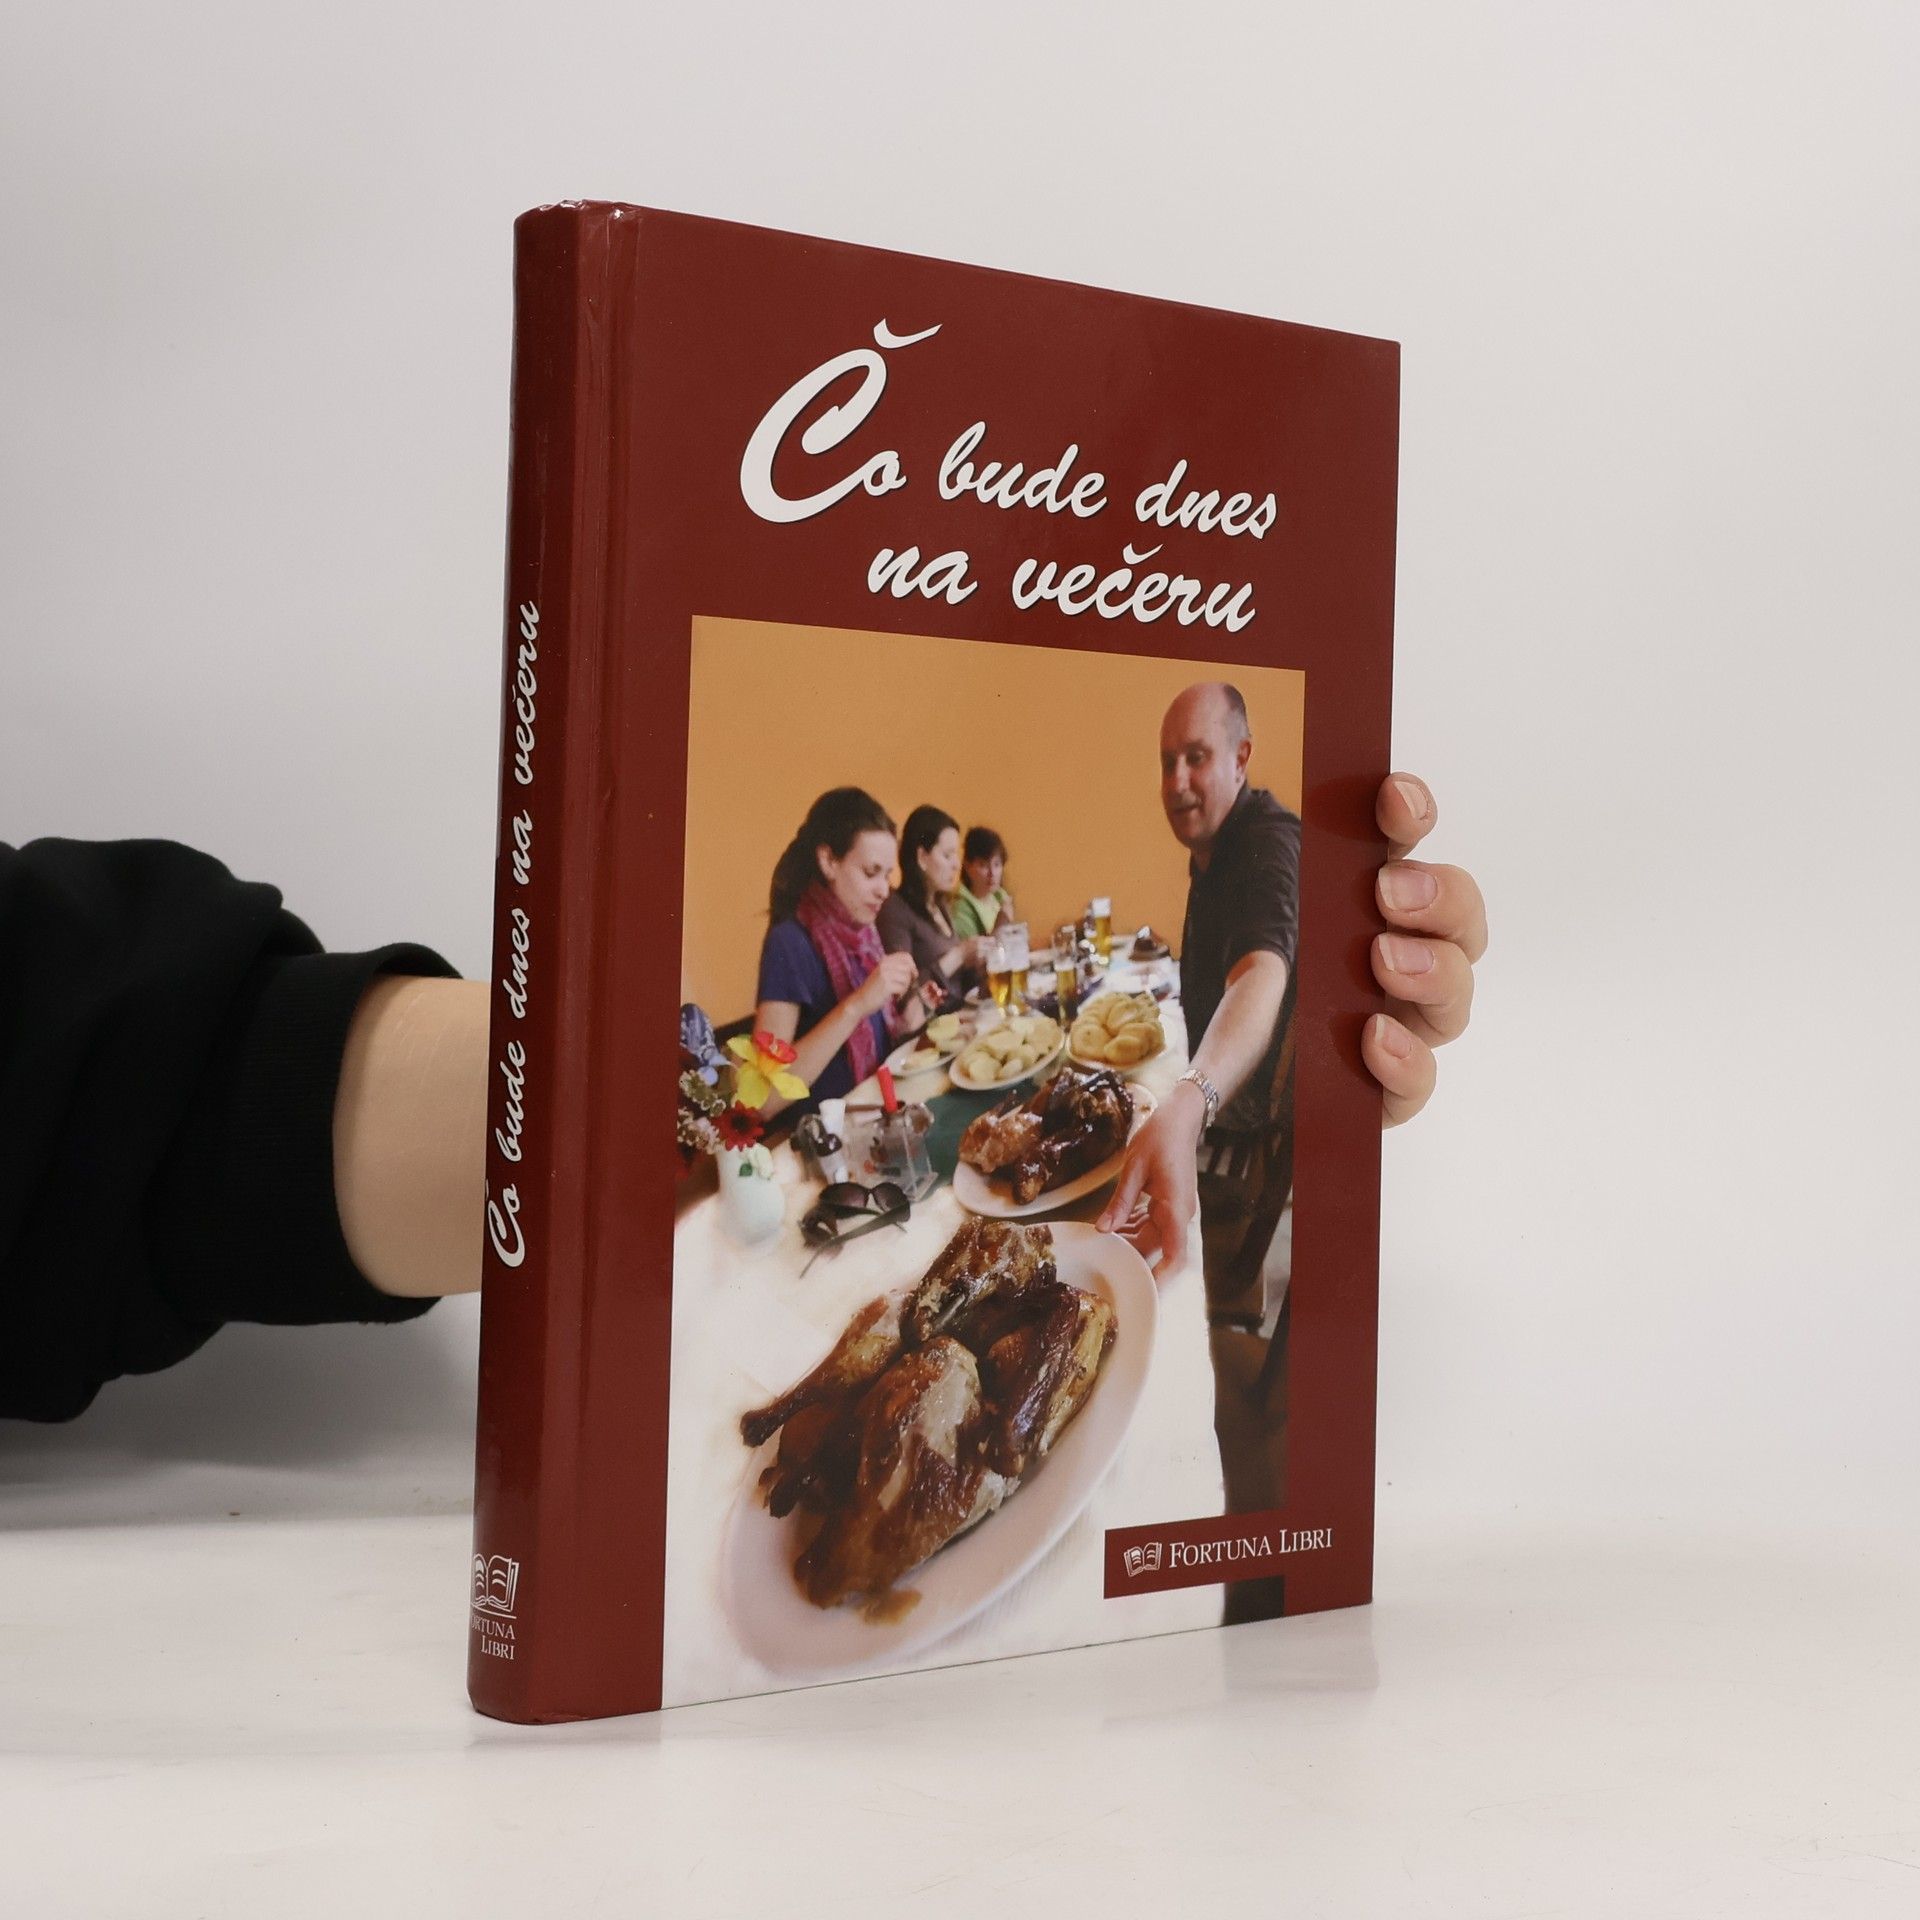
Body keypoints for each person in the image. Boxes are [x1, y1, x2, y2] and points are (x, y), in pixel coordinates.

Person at [0, 769, 1479, 1423]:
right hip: (803, 1132)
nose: (904, 887)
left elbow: (146, 1080)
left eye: (913, 869)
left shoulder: (882, 928)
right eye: (886, 869)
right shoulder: (799, 945)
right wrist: (859, 1015)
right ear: (831, 868)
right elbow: (785, 1061)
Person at [1096, 684, 1488, 1620]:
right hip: (1247, 1161)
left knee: (1233, 1395)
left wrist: (1189, 1100)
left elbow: (1261, 973)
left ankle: (1262, 1587)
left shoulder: (1265, 843)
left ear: (1242, 757)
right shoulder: (1218, 849)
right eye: (1166, 762)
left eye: (1197, 757)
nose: (1178, 780)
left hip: (1271, 1175)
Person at [753, 787, 939, 1112]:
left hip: (876, 1111)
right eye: (870, 873)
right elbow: (764, 1098)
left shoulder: (862, 933)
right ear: (828, 861)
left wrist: (904, 1023)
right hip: (829, 1131)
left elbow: (871, 1042)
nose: (884, 890)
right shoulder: (789, 942)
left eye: (887, 875)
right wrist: (858, 1004)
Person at [876, 805, 990, 1004]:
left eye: (956, 854)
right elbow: (902, 995)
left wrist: (979, 964)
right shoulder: (895, 910)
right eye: (947, 855)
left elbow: (956, 983)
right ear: (922, 857)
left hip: (959, 1015)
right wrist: (959, 954)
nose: (956, 864)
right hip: (930, 1022)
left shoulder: (939, 904)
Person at [948, 826, 1014, 941]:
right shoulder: (961, 908)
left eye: (997, 864)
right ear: (967, 866)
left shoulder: (1000, 897)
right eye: (983, 865)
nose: (992, 873)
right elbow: (972, 951)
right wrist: (1000, 925)